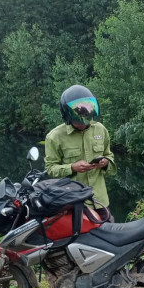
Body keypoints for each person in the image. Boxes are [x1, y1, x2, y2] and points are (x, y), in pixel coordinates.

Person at [44, 85, 116, 221]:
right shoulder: (54, 137)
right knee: (82, 239)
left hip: (100, 200)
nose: (83, 123)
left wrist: (105, 162)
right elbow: (50, 169)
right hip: (73, 201)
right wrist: (72, 167)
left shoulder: (101, 130)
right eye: (78, 119)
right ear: (67, 115)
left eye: (87, 117)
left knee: (112, 235)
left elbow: (109, 156)